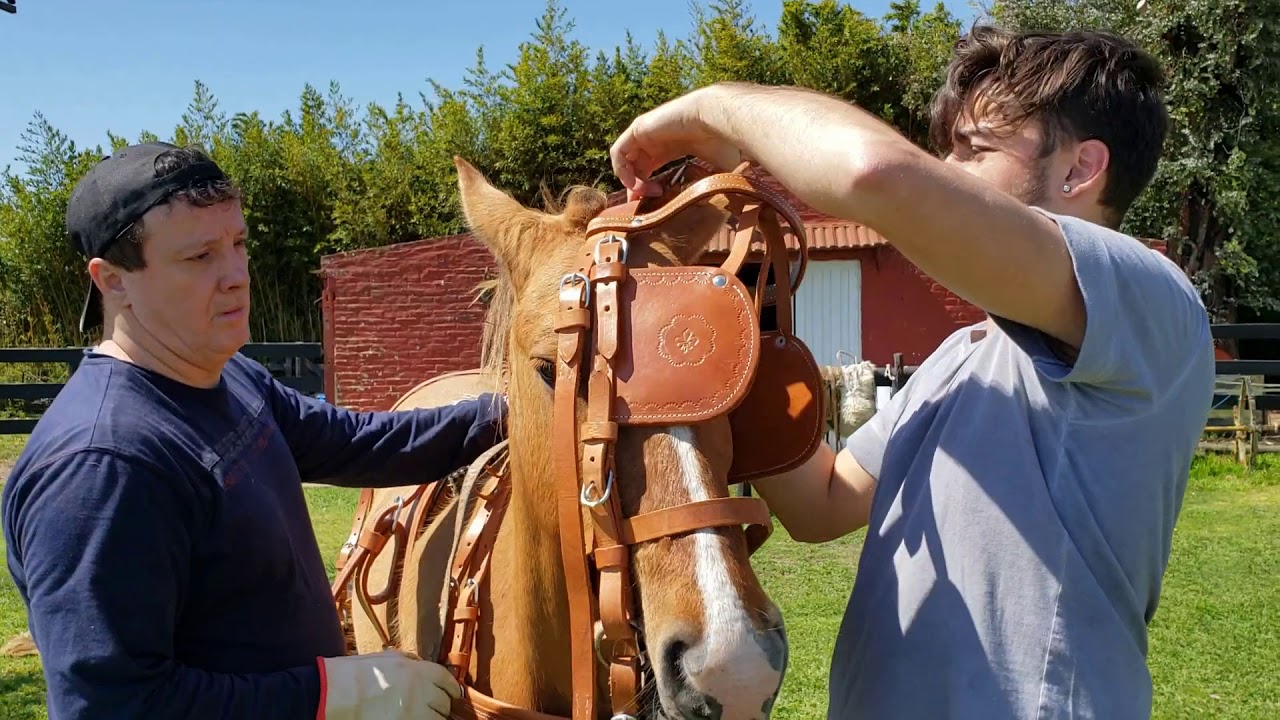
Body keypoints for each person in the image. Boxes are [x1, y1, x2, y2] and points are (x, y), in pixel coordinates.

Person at [611, 25, 1214, 720]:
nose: (945, 169)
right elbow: (823, 502)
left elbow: (875, 174)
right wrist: (722, 351)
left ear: (1080, 169)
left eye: (973, 149)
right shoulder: (964, 356)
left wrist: (712, 106)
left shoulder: (1148, 297)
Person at [1, 142, 505, 719]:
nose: (236, 276)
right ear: (113, 280)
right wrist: (334, 695)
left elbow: (356, 442)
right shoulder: (104, 465)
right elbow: (114, 705)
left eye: (238, 244)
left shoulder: (230, 377)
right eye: (199, 257)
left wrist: (512, 407)